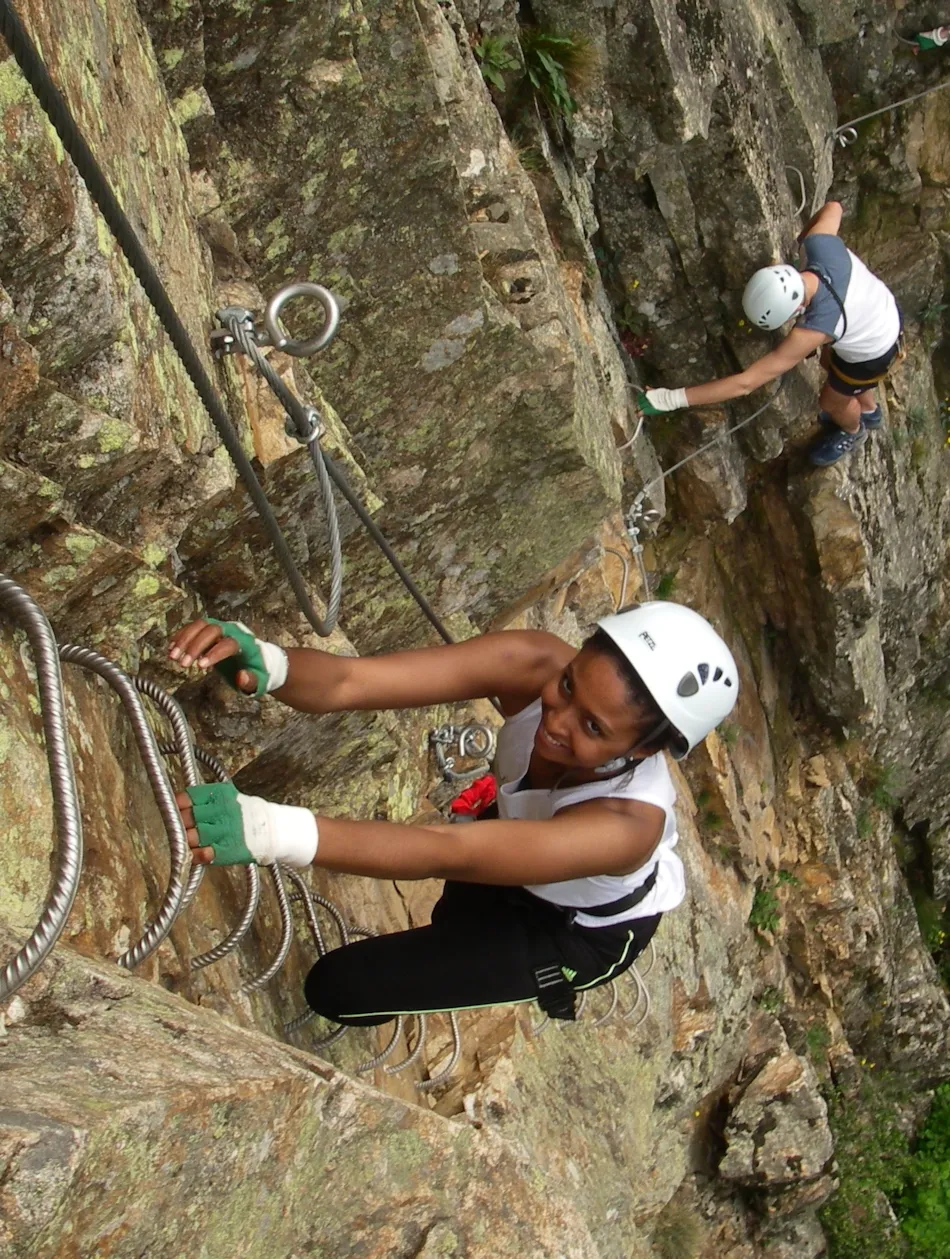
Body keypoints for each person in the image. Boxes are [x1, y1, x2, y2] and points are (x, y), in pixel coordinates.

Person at [169, 602, 739, 1026]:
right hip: (519, 842)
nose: (556, 723)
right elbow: (353, 679)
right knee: (454, 922)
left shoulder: (624, 828)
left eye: (594, 728)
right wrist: (273, 664)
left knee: (338, 989)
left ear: (642, 751)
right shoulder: (534, 662)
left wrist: (269, 829)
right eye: (567, 686)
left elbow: (448, 852)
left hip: (574, 932)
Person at [638, 201, 903, 467]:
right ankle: (868, 409)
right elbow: (834, 207)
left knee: (831, 401)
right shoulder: (818, 244)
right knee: (830, 364)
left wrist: (669, 399)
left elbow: (746, 383)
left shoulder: (817, 327)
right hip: (879, 310)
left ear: (798, 309)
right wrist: (800, 239)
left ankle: (854, 429)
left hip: (874, 347)